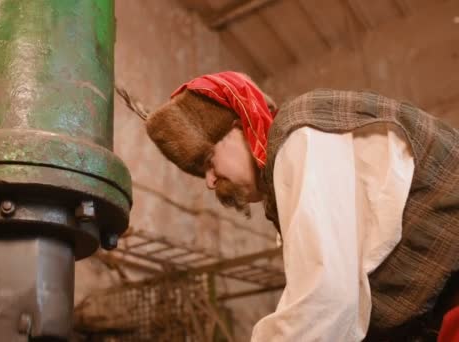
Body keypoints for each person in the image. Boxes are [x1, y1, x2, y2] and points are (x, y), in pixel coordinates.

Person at [145, 71, 459, 341]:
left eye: (208, 161)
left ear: (241, 126)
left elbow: (326, 298)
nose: (210, 182)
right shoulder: (294, 162)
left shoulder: (299, 139)